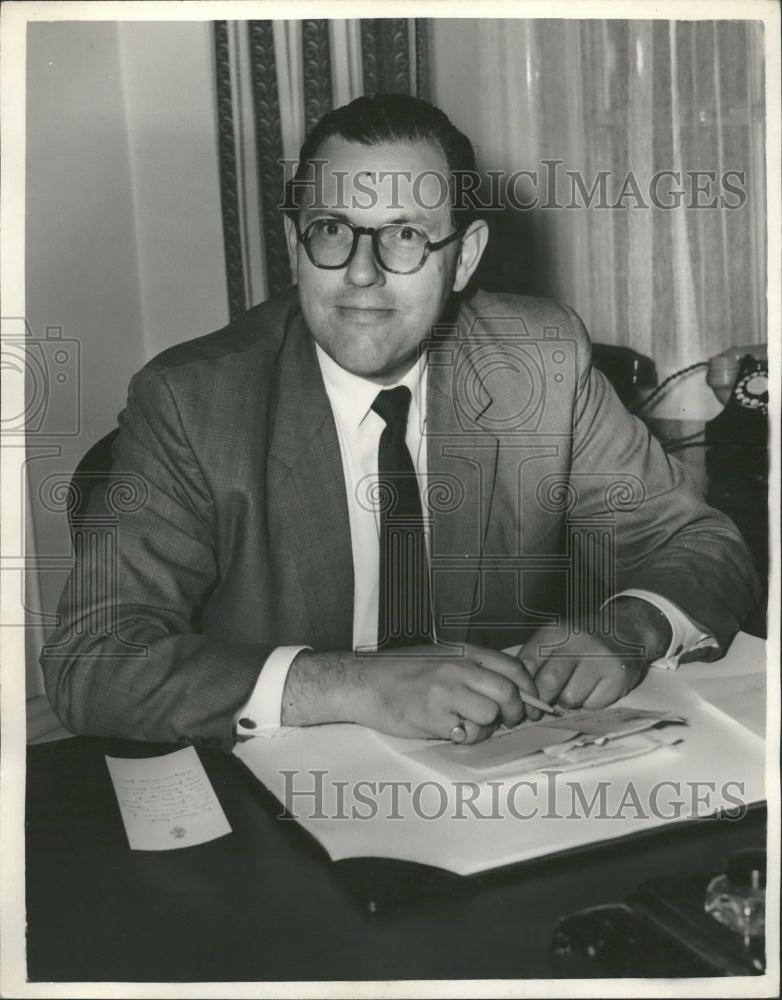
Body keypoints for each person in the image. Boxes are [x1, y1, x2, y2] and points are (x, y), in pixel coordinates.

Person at [41, 94, 759, 752]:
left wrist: (629, 626)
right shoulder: (195, 402)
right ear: (296, 245)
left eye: (406, 236)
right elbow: (94, 659)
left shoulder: (538, 360)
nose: (361, 273)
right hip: (282, 790)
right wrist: (355, 684)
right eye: (332, 230)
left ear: (465, 257)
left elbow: (697, 542)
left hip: (503, 772)